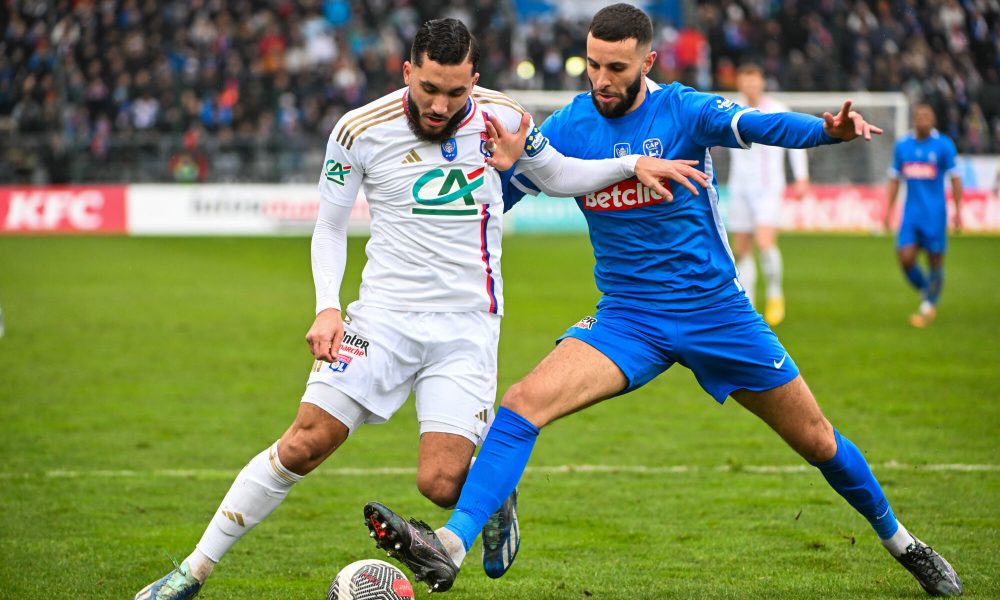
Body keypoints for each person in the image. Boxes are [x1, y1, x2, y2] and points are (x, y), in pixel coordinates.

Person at [363, 5, 963, 597]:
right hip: (628, 318)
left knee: (818, 442)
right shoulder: (569, 128)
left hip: (717, 314)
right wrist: (473, 194)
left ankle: (904, 544)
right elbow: (492, 206)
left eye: (617, 68)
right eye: (593, 65)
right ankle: (450, 545)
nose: (602, 80)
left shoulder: (683, 109)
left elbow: (756, 124)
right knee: (522, 403)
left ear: (647, 61)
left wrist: (823, 133)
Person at [134, 17, 707, 600]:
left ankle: (492, 491)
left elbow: (556, 173)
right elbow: (330, 227)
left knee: (440, 484)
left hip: (465, 328)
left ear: (474, 81)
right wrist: (327, 308)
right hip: (380, 320)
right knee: (303, 442)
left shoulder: (503, 117)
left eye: (456, 92)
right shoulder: (359, 131)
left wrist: (628, 164)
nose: (439, 105)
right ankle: (191, 573)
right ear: (408, 71)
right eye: (429, 88)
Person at [727, 64, 810, 326]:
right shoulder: (730, 109)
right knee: (741, 248)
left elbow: (796, 143)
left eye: (755, 81)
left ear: (762, 83)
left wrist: (801, 178)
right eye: (746, 81)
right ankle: (748, 303)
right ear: (740, 84)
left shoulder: (777, 109)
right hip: (739, 187)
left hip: (768, 188)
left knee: (764, 241)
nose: (750, 86)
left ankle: (775, 294)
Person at [886, 103, 963, 328]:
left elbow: (955, 179)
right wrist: (888, 210)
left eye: (927, 116)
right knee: (905, 258)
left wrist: (958, 212)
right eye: (919, 116)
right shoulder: (903, 146)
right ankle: (926, 290)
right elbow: (894, 179)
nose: (923, 119)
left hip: (935, 215)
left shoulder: (943, 145)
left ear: (934, 120)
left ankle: (928, 307)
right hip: (911, 215)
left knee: (935, 261)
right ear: (914, 119)